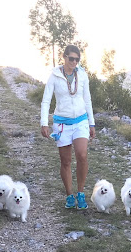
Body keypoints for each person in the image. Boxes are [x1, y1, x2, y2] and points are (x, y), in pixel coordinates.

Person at [40, 45, 96, 209]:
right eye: (71, 58)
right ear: (64, 57)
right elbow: (46, 100)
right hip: (62, 123)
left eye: (77, 59)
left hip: (80, 121)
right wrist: (44, 123)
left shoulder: (83, 75)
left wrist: (91, 123)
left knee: (82, 155)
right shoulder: (55, 76)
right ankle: (69, 195)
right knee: (65, 161)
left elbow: (87, 100)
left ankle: (81, 193)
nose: (74, 62)